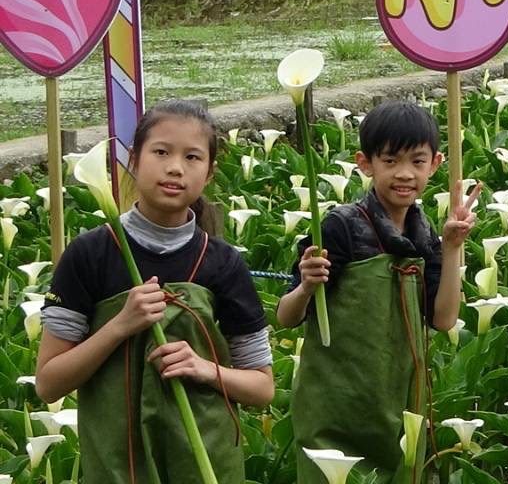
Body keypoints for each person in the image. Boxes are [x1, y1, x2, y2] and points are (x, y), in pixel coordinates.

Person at [36, 99, 275, 483]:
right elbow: (49, 383)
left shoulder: (223, 263)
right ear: (134, 158)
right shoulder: (91, 255)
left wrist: (204, 369)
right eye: (161, 151)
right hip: (119, 463)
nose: (175, 167)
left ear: (210, 173)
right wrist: (119, 325)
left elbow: (262, 388)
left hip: (206, 462)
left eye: (193, 157)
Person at [278, 100, 478, 484]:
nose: (405, 174)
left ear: (435, 164)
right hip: (336, 407)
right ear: (365, 163)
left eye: (417, 162)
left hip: (400, 402)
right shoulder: (340, 228)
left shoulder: (425, 237)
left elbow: (443, 318)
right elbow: (286, 316)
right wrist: (305, 285)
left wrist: (451, 247)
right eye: (390, 161)